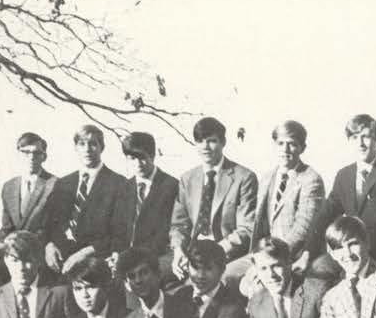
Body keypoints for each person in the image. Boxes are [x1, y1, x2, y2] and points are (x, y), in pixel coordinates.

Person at [309, 114, 376, 275]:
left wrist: (356, 251)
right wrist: (307, 252)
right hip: (350, 251)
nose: (360, 144)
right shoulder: (344, 175)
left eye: (366, 137)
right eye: (355, 137)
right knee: (316, 268)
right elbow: (325, 216)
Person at [169, 116, 258, 281]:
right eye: (200, 141)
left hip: (227, 253)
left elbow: (246, 228)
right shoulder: (187, 179)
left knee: (215, 282)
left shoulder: (244, 177)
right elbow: (179, 225)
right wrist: (178, 250)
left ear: (223, 142)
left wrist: (213, 253)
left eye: (211, 141)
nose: (205, 147)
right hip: (193, 252)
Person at [43, 124, 129, 278]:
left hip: (96, 260)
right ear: (76, 148)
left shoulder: (119, 184)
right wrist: (49, 246)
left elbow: (120, 235)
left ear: (102, 147)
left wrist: (84, 253)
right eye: (82, 144)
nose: (87, 149)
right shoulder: (64, 183)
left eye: (93, 144)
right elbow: (49, 224)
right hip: (60, 259)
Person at [247, 120, 325, 273]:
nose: (285, 149)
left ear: (302, 148)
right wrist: (258, 257)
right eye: (280, 143)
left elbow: (303, 228)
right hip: (262, 255)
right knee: (228, 276)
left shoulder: (311, 179)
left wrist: (272, 258)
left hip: (293, 257)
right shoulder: (267, 178)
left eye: (292, 144)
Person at [117, 132, 179, 277]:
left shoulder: (171, 186)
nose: (138, 164)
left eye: (142, 157)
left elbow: (166, 231)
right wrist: (117, 254)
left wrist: (136, 260)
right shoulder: (124, 188)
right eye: (132, 158)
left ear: (152, 156)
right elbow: (119, 228)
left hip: (158, 256)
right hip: (127, 257)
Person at [0, 132, 56, 252]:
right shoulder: (9, 187)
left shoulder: (54, 184)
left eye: (37, 153)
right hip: (13, 253)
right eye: (26, 152)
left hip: (40, 251)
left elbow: (53, 229)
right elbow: (7, 227)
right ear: (18, 154)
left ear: (44, 156)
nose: (31, 157)